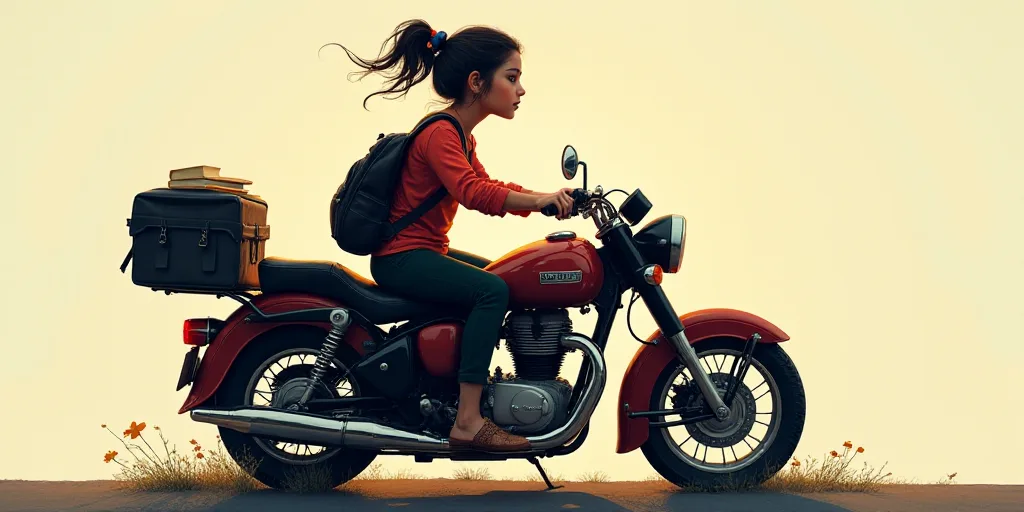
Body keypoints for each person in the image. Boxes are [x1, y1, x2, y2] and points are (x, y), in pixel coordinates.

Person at [326, 19, 574, 451]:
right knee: (491, 291)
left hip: (422, 253)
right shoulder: (441, 132)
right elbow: (474, 192)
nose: (521, 89)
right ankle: (468, 420)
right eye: (511, 78)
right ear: (477, 82)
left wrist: (546, 197)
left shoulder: (460, 135)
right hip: (402, 257)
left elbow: (488, 184)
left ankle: (473, 393)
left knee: (506, 278)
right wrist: (538, 202)